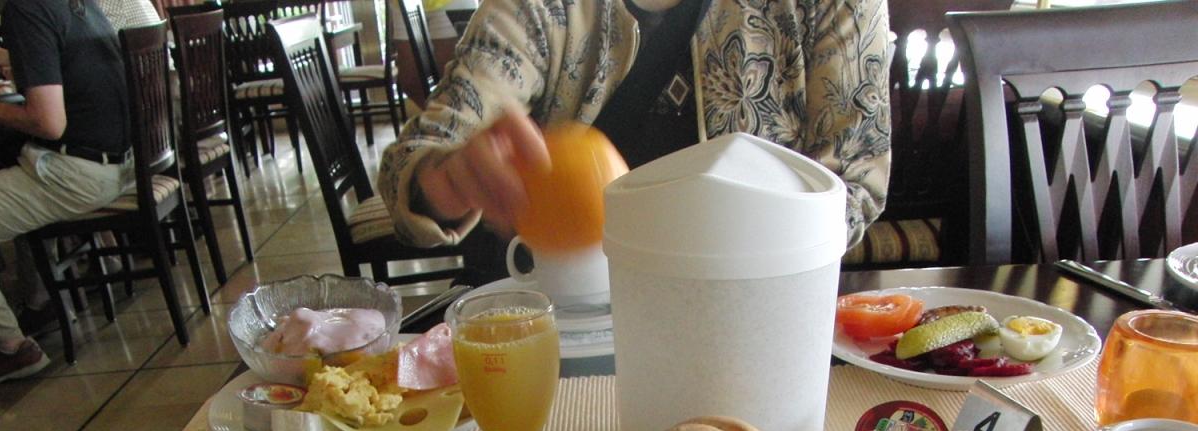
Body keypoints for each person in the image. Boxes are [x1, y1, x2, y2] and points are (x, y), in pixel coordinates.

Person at [379, 0, 890, 283]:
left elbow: (855, 178)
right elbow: (426, 149)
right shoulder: (537, 8)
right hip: (562, 317)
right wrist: (444, 180)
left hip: (747, 314)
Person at [0, 0, 132, 387]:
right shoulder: (79, 4)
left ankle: (12, 348)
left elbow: (48, 123)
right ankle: (40, 302)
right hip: (119, 164)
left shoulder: (28, 8)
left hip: (77, 173)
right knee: (8, 170)